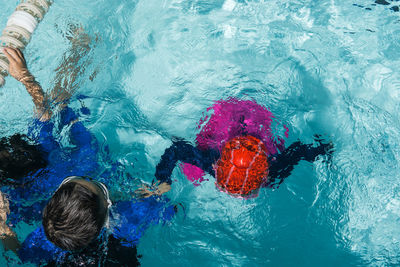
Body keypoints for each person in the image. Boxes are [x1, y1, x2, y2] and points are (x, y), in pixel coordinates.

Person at [0, 47, 175, 266]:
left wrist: (4, 229)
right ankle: (81, 48)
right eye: (98, 186)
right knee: (65, 109)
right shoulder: (129, 214)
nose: (95, 180)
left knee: (60, 105)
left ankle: (79, 49)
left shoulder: (45, 236)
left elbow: (22, 253)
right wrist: (159, 189)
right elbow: (168, 209)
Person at [138, 98, 333, 199]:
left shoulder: (213, 162)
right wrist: (324, 150)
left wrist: (164, 179)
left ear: (218, 169)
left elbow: (178, 149)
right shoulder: (274, 173)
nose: (239, 197)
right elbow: (298, 151)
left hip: (239, 127)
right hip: (253, 124)